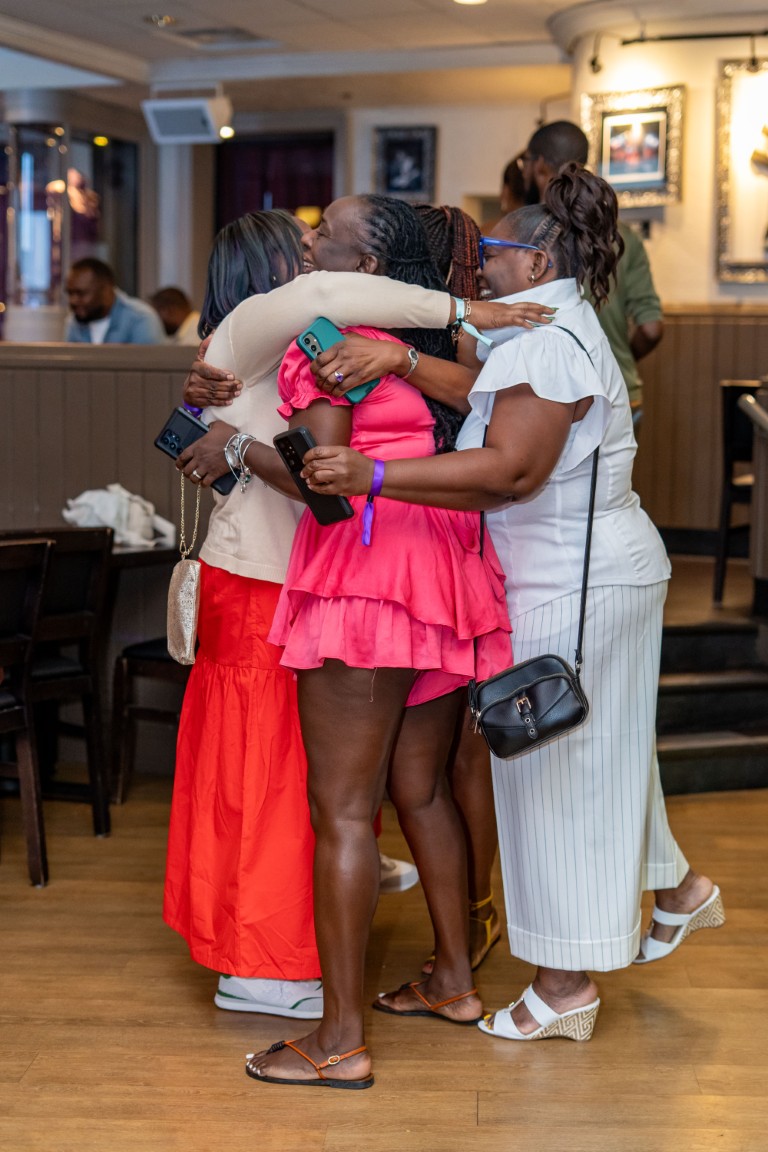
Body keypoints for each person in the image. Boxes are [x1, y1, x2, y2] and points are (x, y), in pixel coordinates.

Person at [299, 164, 723, 1043]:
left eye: (491, 251)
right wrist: (405, 359)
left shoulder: (546, 339)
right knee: (601, 749)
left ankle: (564, 987)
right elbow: (493, 399)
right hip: (597, 565)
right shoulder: (551, 325)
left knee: (552, 776)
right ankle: (675, 888)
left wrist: (376, 474)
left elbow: (511, 470)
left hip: (571, 576)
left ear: (535, 262)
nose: (478, 267)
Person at [168, 204, 551, 1027]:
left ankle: (338, 1036)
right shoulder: (449, 353)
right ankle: (454, 977)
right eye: (301, 244)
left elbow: (324, 479)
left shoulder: (329, 343)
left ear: (366, 266)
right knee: (420, 791)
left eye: (322, 241)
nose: (310, 252)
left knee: (339, 807)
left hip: (365, 577)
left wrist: (234, 445)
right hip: (446, 573)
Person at [520, 120, 663, 426]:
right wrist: (613, 358)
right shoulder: (624, 236)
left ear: (539, 164)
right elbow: (651, 329)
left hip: (549, 394)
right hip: (619, 391)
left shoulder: (525, 234)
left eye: (525, 162)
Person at [64, 258, 166, 344]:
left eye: (81, 294)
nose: (73, 301)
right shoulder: (75, 322)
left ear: (106, 291)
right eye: (70, 293)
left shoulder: (140, 319)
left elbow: (150, 361)